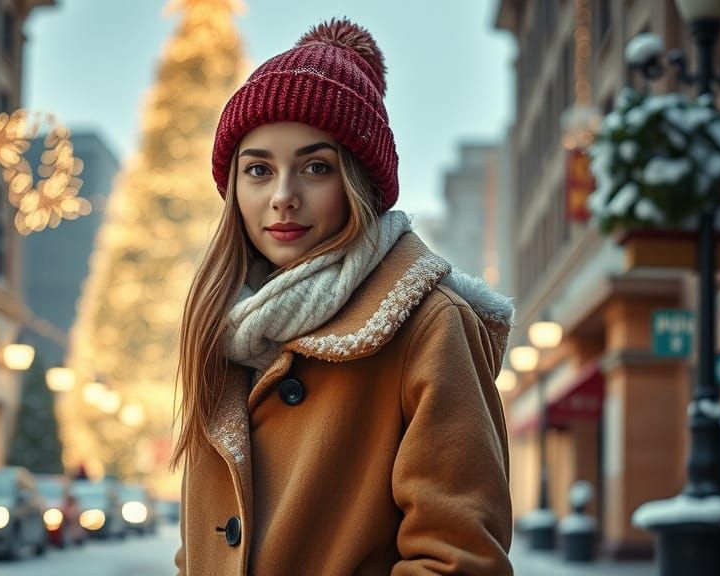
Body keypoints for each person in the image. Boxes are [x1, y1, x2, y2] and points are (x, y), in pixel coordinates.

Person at [171, 18, 514, 576]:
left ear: (358, 183)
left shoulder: (428, 324)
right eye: (258, 169)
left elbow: (458, 560)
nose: (283, 196)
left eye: (315, 167)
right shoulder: (226, 326)